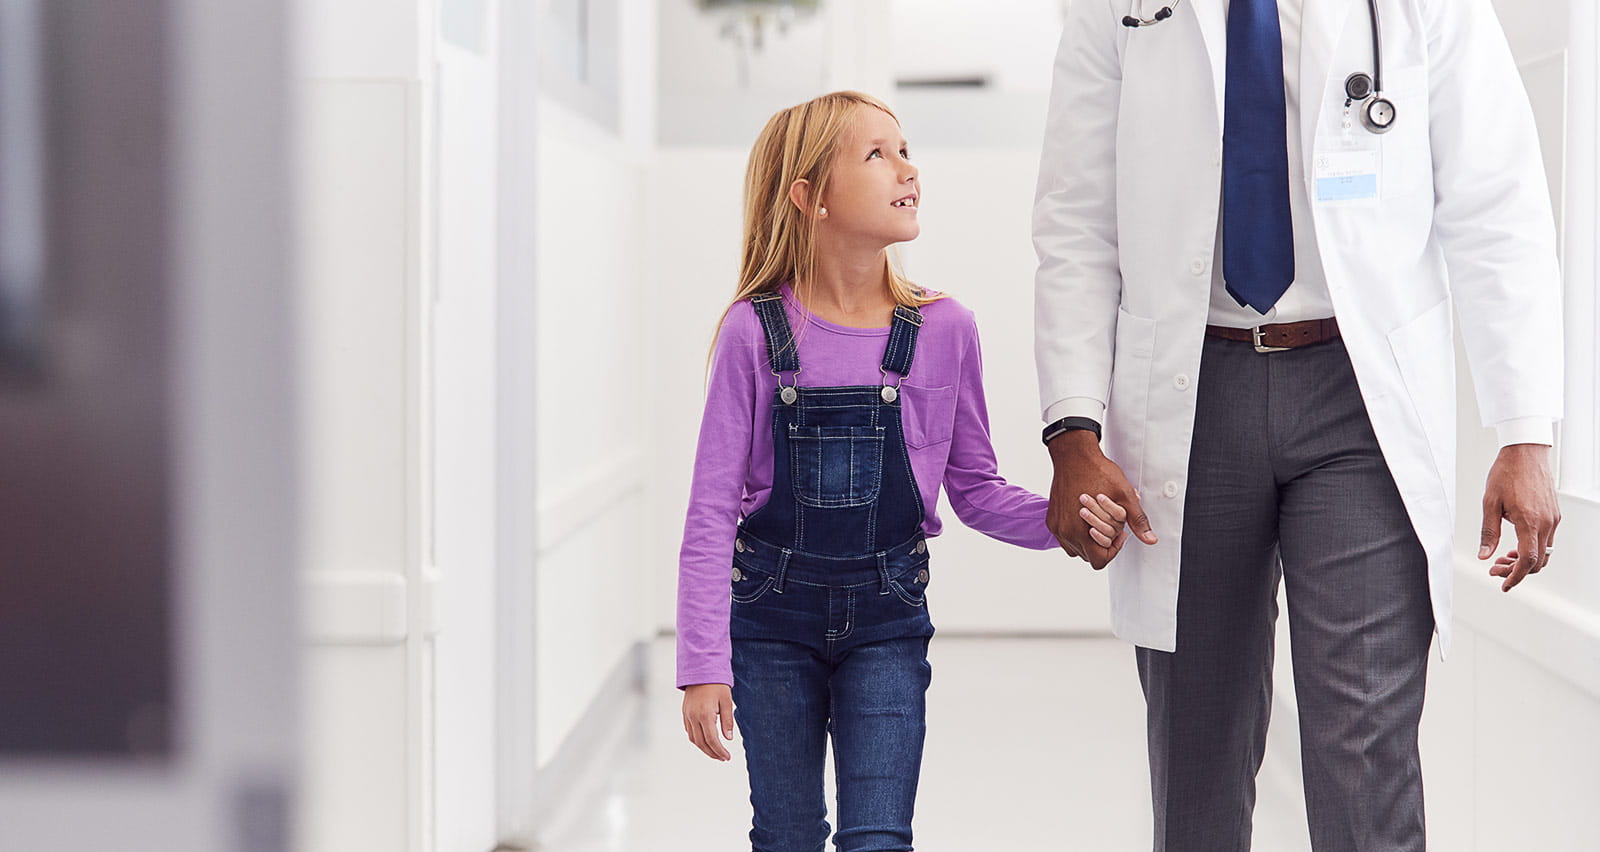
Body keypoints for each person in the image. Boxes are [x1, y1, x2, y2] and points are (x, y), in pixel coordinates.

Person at [1033, 1, 1563, 849]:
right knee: (1195, 760)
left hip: (1360, 398)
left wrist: (1524, 428)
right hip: (1189, 391)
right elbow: (1075, 215)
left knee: (1365, 752)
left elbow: (1497, 200)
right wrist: (1072, 427)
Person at [676, 90, 1103, 852]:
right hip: (770, 622)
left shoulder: (945, 329)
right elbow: (711, 510)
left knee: (879, 838)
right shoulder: (753, 332)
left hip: (888, 620)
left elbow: (973, 488)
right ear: (811, 198)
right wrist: (702, 662)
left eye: (905, 149)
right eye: (877, 154)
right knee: (788, 835)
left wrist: (1063, 521)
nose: (908, 168)